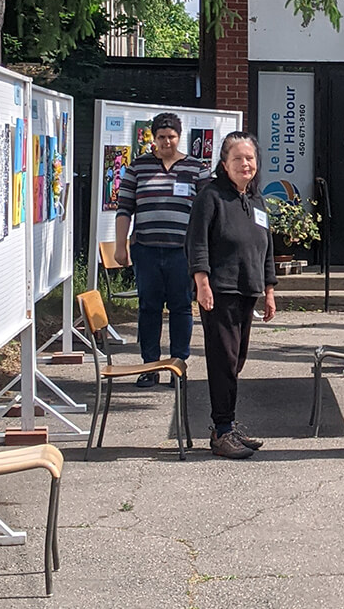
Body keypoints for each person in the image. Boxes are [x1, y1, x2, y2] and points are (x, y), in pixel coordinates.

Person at [186, 132, 277, 459]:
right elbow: (196, 242)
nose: (245, 164)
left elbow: (266, 249)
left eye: (250, 158)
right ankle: (222, 432)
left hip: (248, 290)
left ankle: (227, 424)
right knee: (224, 362)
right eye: (237, 158)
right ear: (224, 164)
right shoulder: (210, 197)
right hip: (220, 291)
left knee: (235, 361)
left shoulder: (256, 200)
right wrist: (202, 282)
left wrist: (269, 290)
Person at [114, 112, 209, 388]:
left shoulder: (196, 169)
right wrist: (121, 246)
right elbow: (124, 209)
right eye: (161, 137)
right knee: (148, 307)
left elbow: (206, 213)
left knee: (181, 307)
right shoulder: (137, 168)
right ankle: (149, 366)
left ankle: (178, 365)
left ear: (180, 137)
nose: (166, 141)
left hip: (182, 252)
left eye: (172, 137)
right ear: (153, 138)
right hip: (147, 249)